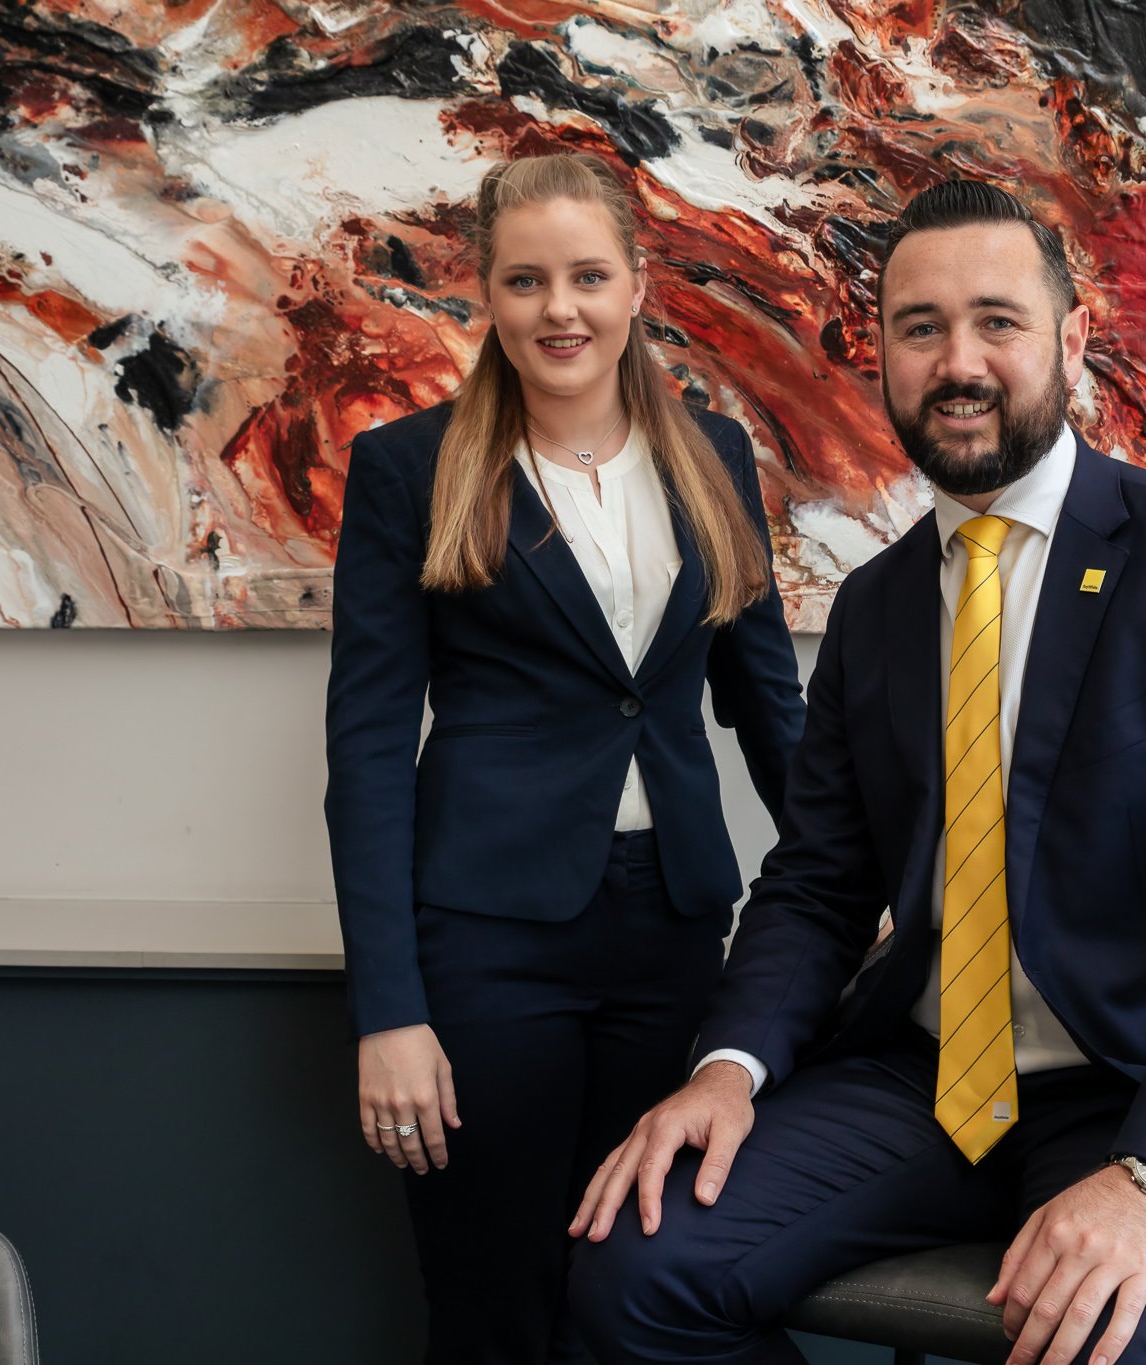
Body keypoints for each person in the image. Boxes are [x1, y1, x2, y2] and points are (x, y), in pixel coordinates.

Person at [566, 180, 1146, 1365]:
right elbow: (818, 883)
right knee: (632, 1267)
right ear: (879, 355)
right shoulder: (875, 606)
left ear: (1071, 340)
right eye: (920, 327)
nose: (958, 362)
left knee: (1106, 1344)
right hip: (924, 1083)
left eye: (997, 321)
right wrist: (726, 1071)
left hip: (1143, 1087)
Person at [324, 152, 805, 1364]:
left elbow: (769, 708)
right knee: (496, 1297)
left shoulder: (715, 456)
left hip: (676, 929)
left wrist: (875, 883)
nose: (561, 309)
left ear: (637, 285)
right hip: (487, 940)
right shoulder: (409, 467)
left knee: (641, 1283)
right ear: (484, 293)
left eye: (588, 276)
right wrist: (389, 1011)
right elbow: (368, 749)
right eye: (526, 280)